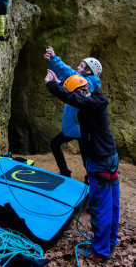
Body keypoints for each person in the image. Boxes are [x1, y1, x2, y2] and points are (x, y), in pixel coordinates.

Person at [45, 71, 119, 263]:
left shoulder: (90, 104)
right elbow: (75, 93)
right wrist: (60, 82)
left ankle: (100, 253)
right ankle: (110, 243)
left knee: (99, 206)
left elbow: (72, 97)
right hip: (110, 157)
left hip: (99, 160)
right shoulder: (96, 97)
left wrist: (53, 86)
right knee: (112, 203)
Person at [44, 46, 102, 180]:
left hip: (82, 128)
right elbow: (66, 80)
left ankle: (91, 181)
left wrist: (55, 59)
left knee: (86, 156)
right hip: (73, 127)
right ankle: (65, 172)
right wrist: (55, 71)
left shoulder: (89, 84)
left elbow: (69, 74)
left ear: (89, 70)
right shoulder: (79, 81)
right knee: (55, 144)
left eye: (82, 66)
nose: (78, 66)